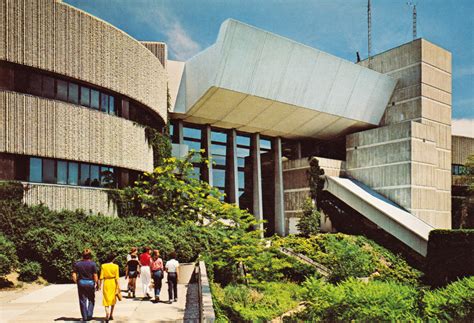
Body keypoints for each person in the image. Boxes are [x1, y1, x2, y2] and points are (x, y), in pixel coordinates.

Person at [72, 249, 98, 321]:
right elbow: (95, 275)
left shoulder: (78, 264)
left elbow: (73, 274)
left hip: (81, 283)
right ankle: (89, 315)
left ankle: (85, 316)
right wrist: (97, 283)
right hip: (90, 283)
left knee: (82, 300)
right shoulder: (93, 264)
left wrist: (76, 282)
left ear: (82, 255)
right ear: (90, 256)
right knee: (91, 299)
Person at [99, 253, 120, 322]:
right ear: (113, 259)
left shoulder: (103, 266)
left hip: (106, 283)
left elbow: (101, 277)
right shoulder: (116, 266)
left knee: (106, 298)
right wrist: (118, 287)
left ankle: (107, 312)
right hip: (113, 282)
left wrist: (99, 285)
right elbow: (117, 278)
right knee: (113, 299)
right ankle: (111, 314)